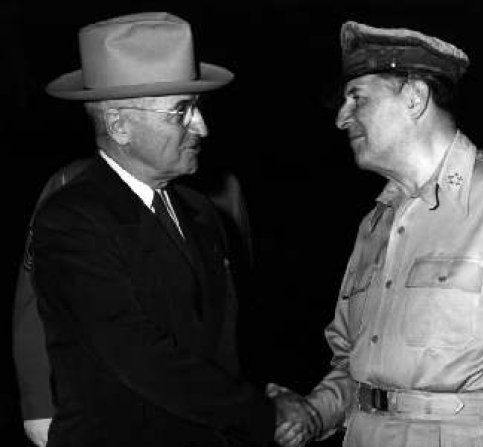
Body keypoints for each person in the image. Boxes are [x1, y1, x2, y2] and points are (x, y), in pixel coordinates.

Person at [273, 21, 483, 447]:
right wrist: (316, 412)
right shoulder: (376, 222)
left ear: (414, 97)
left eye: (358, 98)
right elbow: (357, 364)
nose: (341, 118)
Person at [27, 11, 317, 447]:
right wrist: (263, 413)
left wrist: (254, 399)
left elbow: (217, 349)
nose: (202, 126)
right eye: (180, 111)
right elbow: (141, 359)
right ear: (119, 125)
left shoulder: (200, 212)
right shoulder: (71, 220)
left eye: (197, 108)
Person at [13, 160, 254, 447]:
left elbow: (230, 308)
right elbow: (35, 297)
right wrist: (39, 405)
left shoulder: (218, 191)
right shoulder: (76, 183)